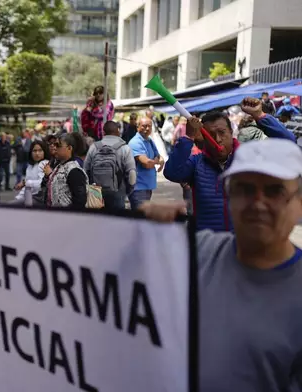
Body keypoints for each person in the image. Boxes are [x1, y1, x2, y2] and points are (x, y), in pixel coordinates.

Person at [140, 138, 302, 392]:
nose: (258, 203)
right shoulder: (197, 252)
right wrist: (139, 234)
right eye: (244, 190)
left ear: (299, 202)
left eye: (274, 191)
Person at [164, 97, 296, 231]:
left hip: (245, 245)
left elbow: (289, 144)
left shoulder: (251, 158)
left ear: (231, 132)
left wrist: (260, 115)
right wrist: (188, 138)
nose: (217, 139)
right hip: (208, 245)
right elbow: (171, 173)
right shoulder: (197, 162)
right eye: (210, 135)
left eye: (222, 133)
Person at [84, 121, 137, 210]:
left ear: (104, 132)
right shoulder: (125, 148)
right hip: (118, 192)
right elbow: (132, 173)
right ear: (118, 131)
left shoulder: (94, 147)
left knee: (98, 221)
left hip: (96, 192)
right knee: (116, 221)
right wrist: (129, 190)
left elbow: (85, 170)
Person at [128, 117, 164, 209]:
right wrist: (157, 161)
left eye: (149, 126)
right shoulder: (135, 142)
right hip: (138, 188)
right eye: (144, 126)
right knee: (139, 219)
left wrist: (158, 160)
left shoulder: (149, 140)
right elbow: (147, 164)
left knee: (143, 219)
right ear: (138, 127)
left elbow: (159, 156)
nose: (147, 129)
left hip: (147, 187)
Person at [46, 133, 87, 209]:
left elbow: (80, 202)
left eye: (58, 145)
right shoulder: (59, 166)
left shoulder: (75, 171)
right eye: (54, 144)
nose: (54, 148)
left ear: (69, 148)